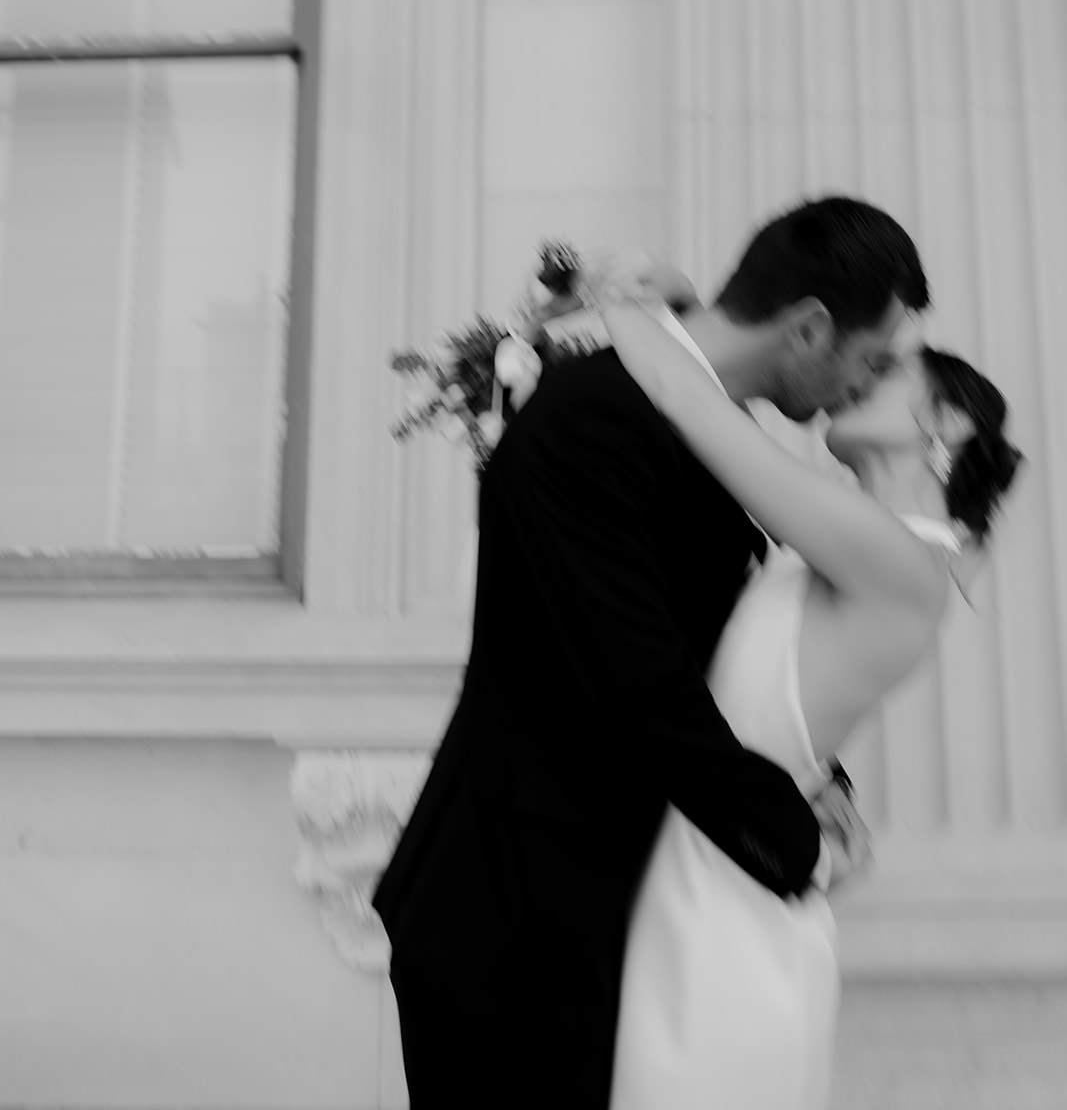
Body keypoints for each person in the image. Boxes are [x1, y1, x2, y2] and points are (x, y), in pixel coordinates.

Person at [372, 195, 930, 1110]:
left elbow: (732, 661)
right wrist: (796, 843)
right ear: (809, 328)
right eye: (865, 362)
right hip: (515, 920)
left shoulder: (710, 434)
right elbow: (643, 690)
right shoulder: (592, 419)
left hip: (608, 910)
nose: (856, 392)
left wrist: (814, 778)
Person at [595, 281, 1022, 1110]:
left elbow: (691, 399)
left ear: (950, 423)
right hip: (704, 876)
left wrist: (608, 300)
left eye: (889, 368)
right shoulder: (853, 540)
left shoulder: (899, 559)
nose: (856, 370)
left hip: (724, 924)